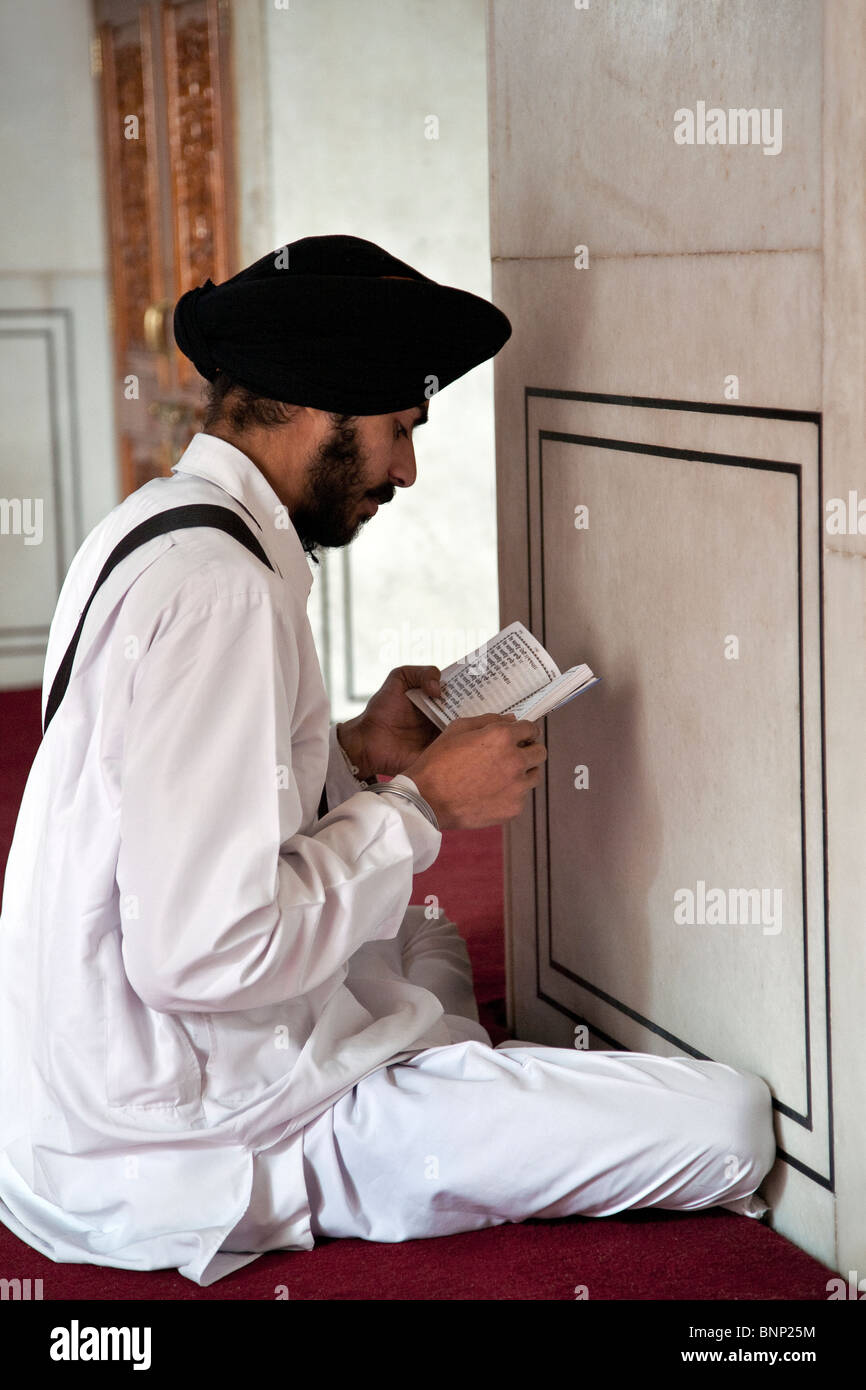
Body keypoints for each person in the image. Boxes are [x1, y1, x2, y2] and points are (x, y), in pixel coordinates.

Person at [0, 235, 776, 1286]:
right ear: (323, 403)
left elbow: (168, 796)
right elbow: (196, 954)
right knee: (727, 1121)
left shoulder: (158, 525)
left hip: (78, 1117)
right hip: (200, 1141)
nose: (405, 470)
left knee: (422, 936)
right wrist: (420, 807)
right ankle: (432, 1099)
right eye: (399, 429)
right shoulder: (223, 590)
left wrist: (355, 750)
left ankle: (445, 1070)